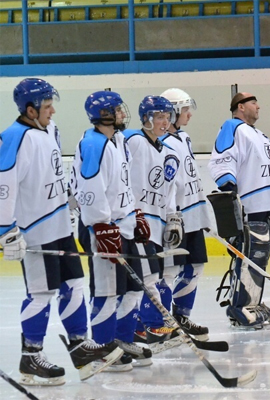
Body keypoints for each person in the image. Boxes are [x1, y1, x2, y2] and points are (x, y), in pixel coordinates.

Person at [0, 78, 122, 386]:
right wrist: (5, 229)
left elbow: (55, 173)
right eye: (47, 105)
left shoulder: (49, 131)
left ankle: (80, 347)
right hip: (35, 230)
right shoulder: (14, 138)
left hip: (60, 225)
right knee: (41, 293)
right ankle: (31, 358)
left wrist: (72, 198)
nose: (53, 110)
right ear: (30, 109)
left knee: (74, 283)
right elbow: (4, 186)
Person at [70, 90, 153, 369]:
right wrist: (102, 225)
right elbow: (89, 190)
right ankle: (104, 349)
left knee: (133, 288)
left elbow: (124, 184)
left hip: (124, 224)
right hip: (102, 227)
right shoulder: (93, 143)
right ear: (104, 114)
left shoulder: (118, 139)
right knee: (107, 291)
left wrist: (136, 211)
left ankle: (121, 340)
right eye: (117, 109)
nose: (121, 113)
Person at [208, 92, 270, 329]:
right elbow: (221, 159)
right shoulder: (233, 127)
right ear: (240, 107)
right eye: (254, 102)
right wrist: (229, 186)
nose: (258, 106)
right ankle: (239, 305)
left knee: (259, 256)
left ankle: (252, 302)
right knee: (250, 255)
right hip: (251, 204)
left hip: (266, 203)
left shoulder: (258, 134)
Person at [123, 96, 184, 353]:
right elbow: (120, 175)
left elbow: (169, 190)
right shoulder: (133, 140)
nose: (165, 122)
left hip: (156, 224)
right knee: (148, 276)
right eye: (159, 117)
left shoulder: (170, 153)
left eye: (168, 117)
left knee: (157, 276)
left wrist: (173, 217)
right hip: (136, 221)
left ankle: (142, 324)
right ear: (146, 118)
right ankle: (153, 325)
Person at [159, 88, 211, 341]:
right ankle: (162, 323)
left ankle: (181, 317)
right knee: (170, 271)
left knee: (195, 266)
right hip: (176, 218)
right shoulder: (162, 143)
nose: (189, 114)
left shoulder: (183, 138)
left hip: (193, 215)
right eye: (185, 109)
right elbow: (166, 184)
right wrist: (171, 215)